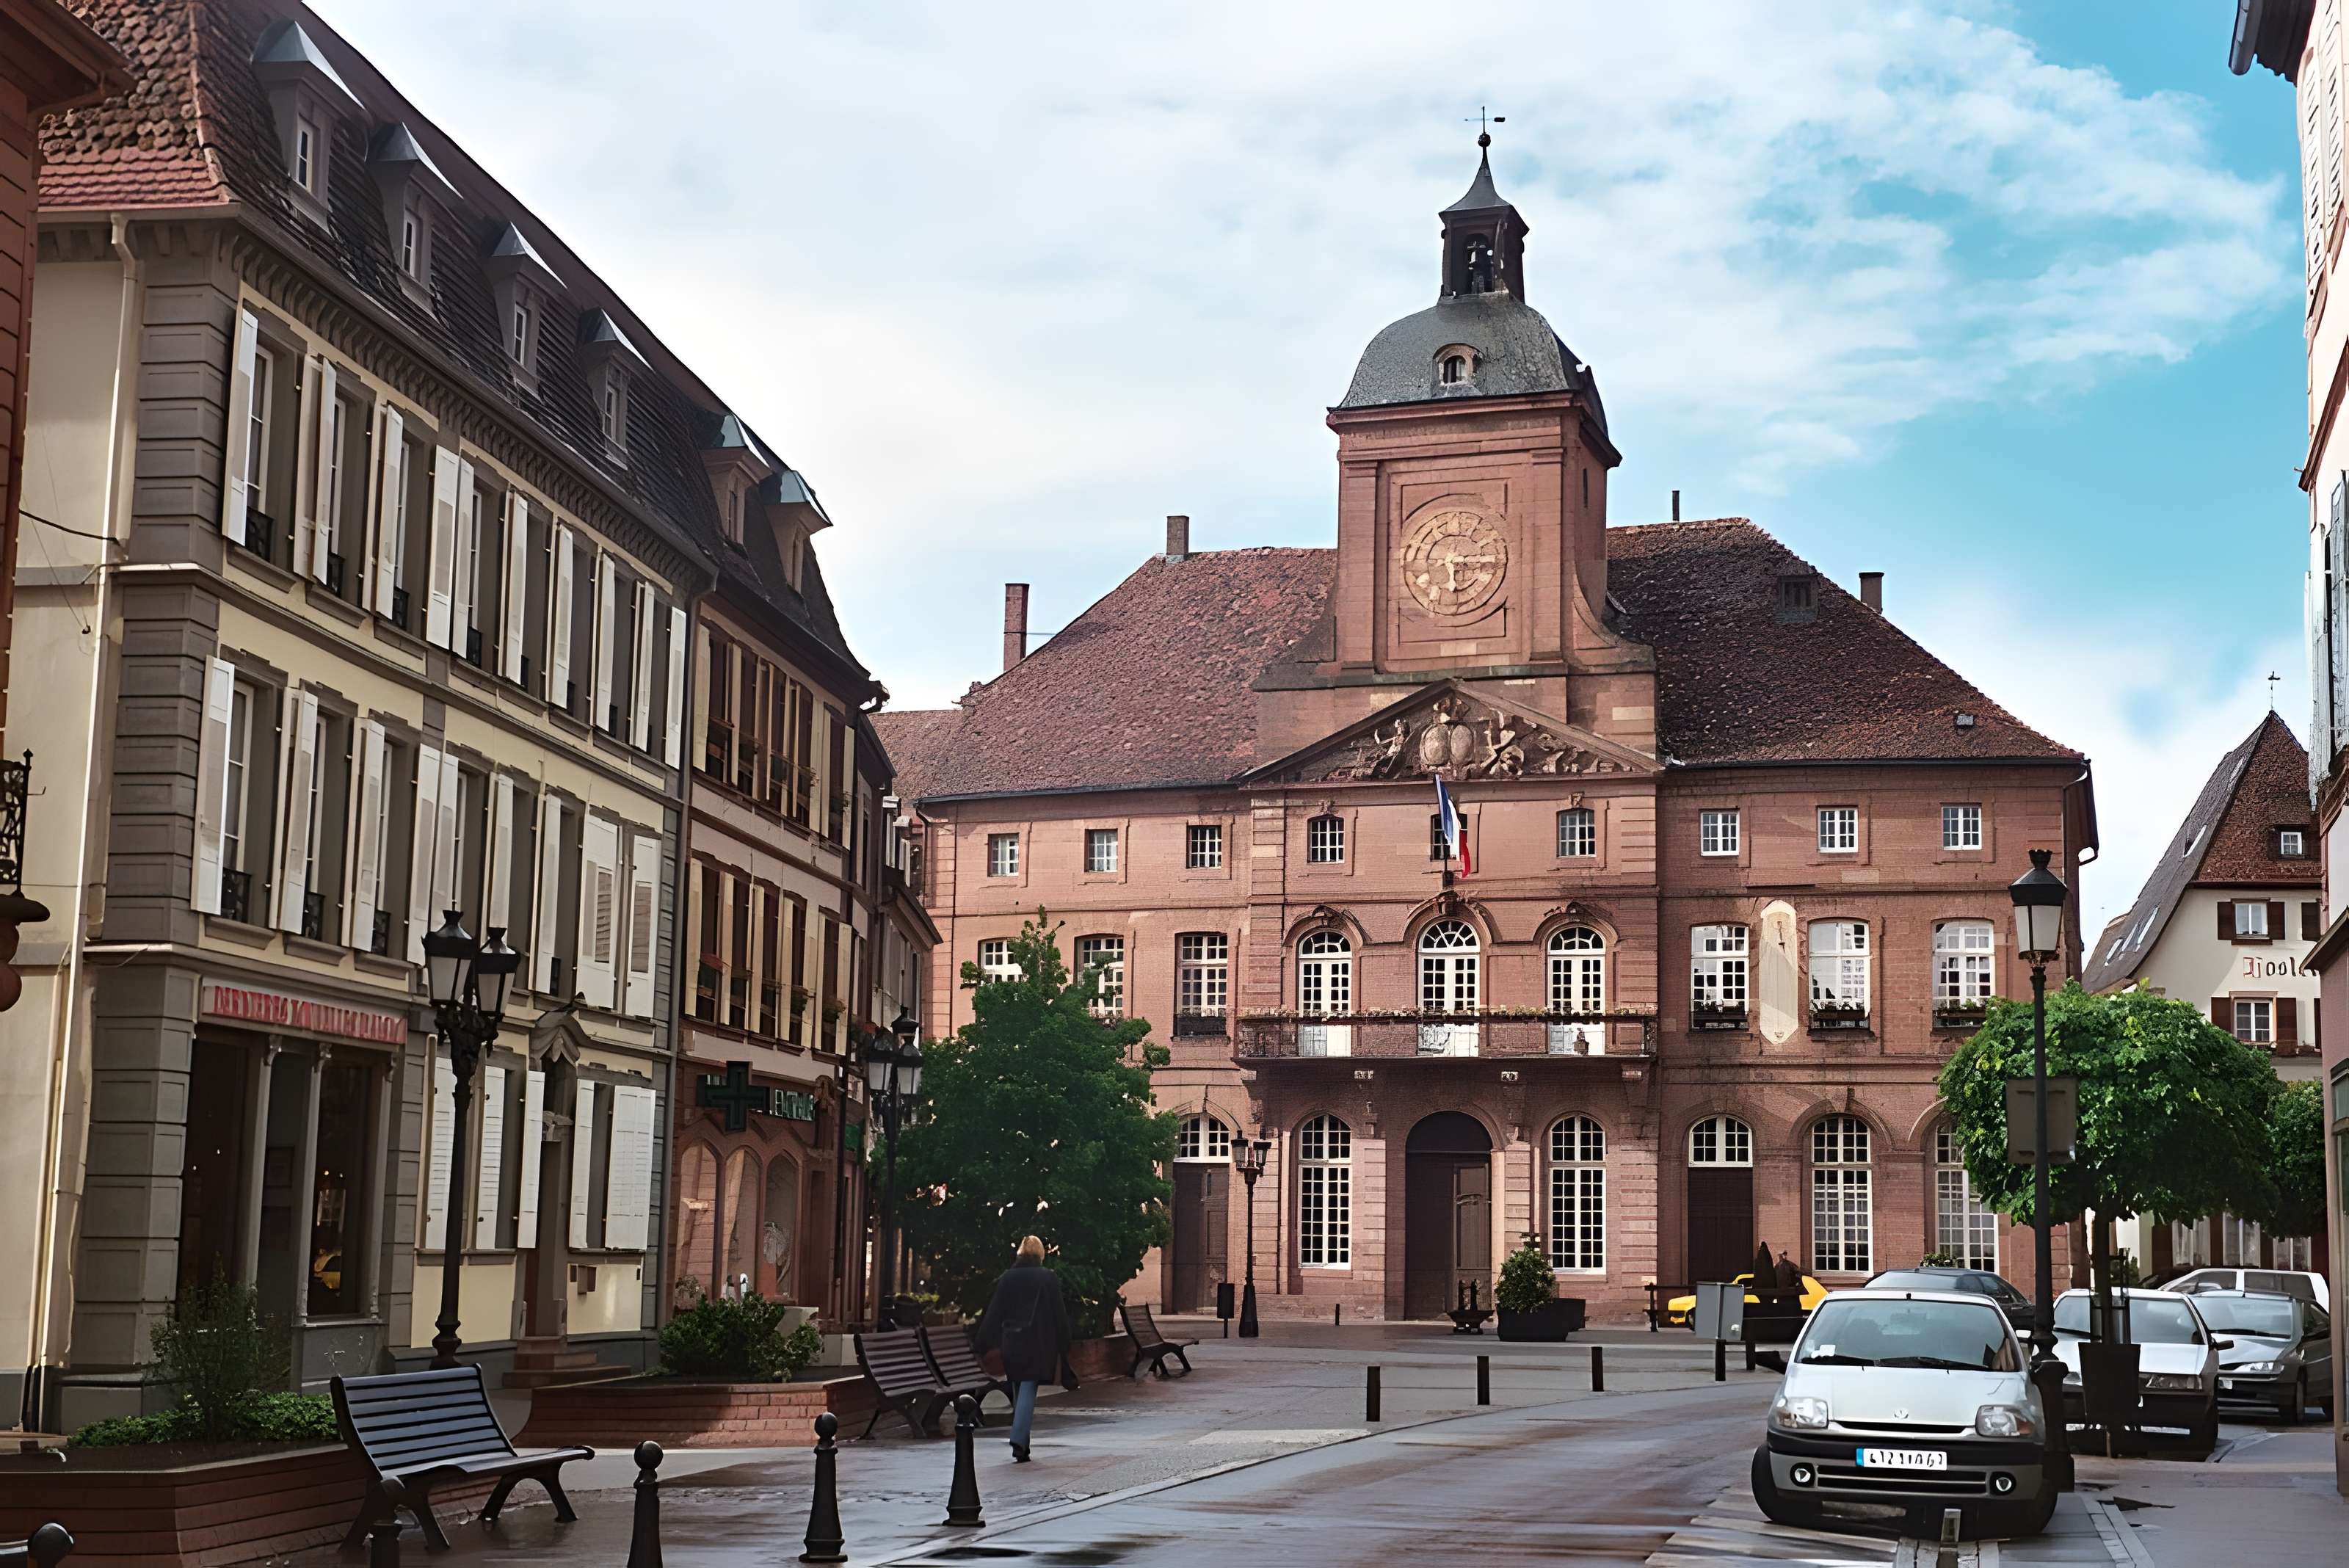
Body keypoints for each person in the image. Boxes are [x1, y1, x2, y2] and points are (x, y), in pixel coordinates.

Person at [973, 1235, 1070, 1462]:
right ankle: (1019, 1439)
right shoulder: (1048, 1278)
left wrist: (982, 1344)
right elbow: (1060, 1315)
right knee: (1027, 1388)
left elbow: (994, 1313)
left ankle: (1022, 1444)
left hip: (1012, 1343)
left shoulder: (1008, 1278)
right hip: (1038, 1343)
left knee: (1019, 1386)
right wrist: (1064, 1344)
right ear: (1040, 1254)